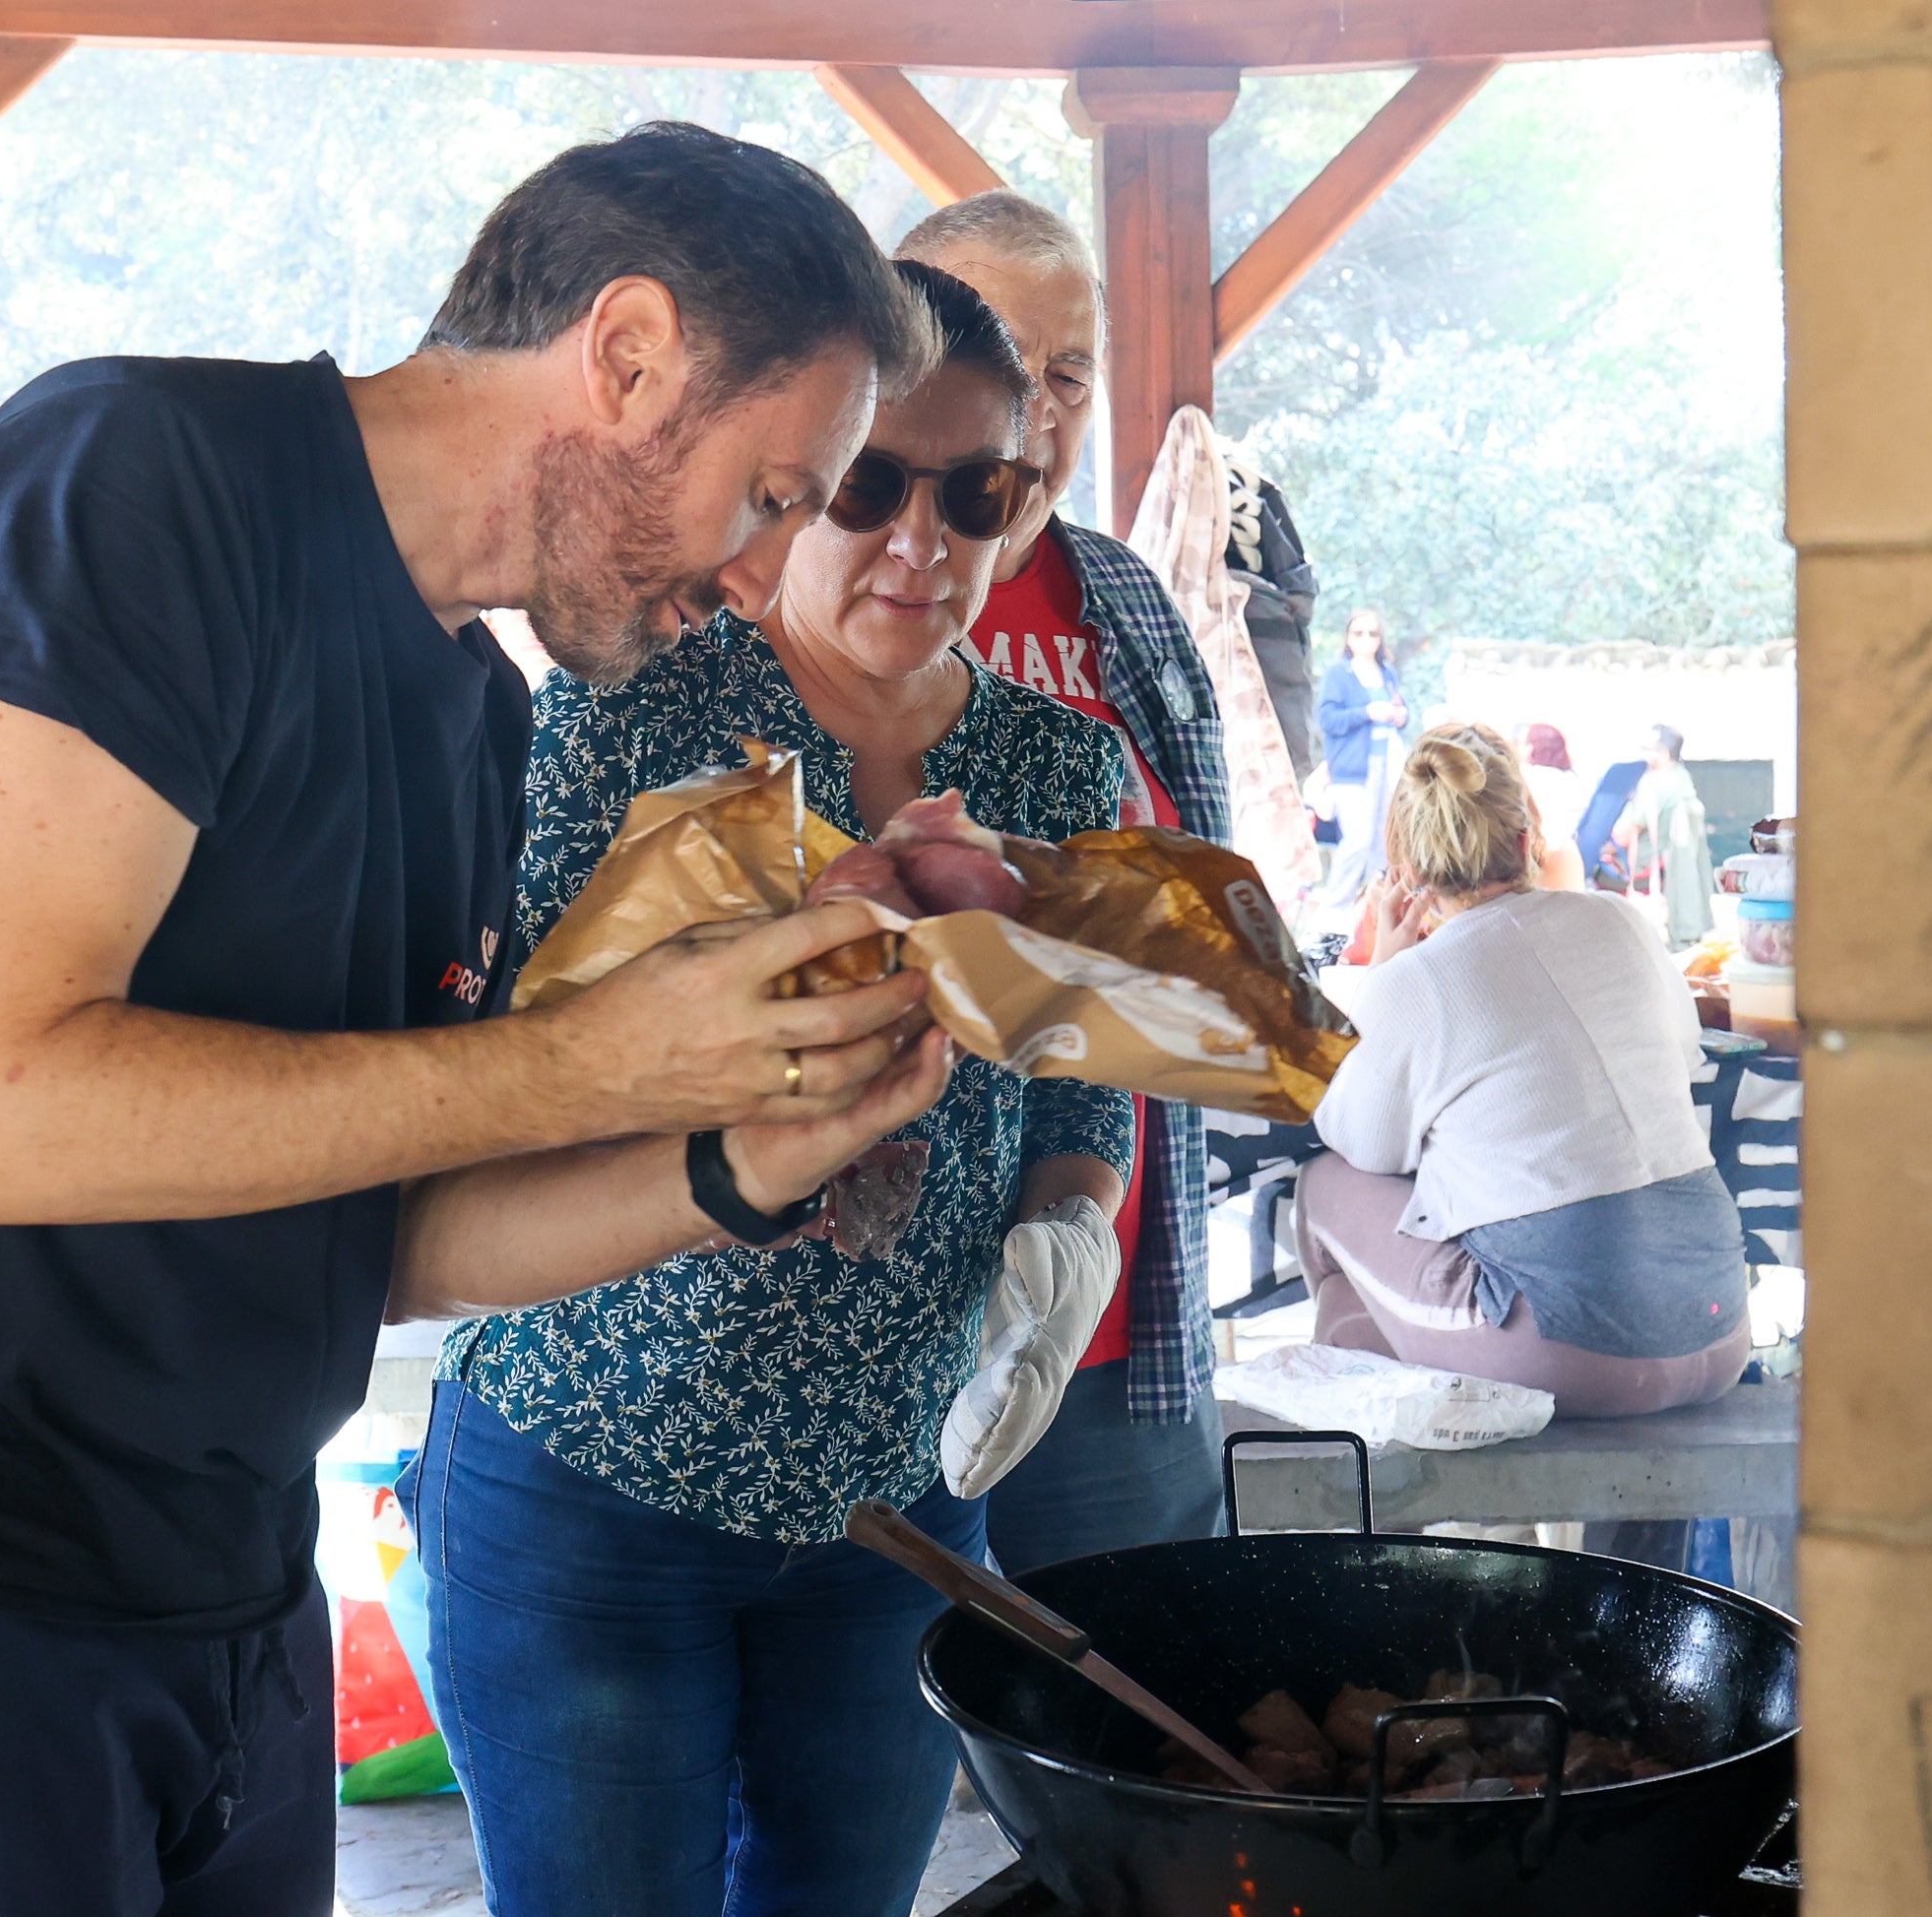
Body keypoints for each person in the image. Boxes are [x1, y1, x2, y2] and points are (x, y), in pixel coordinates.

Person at [0, 124, 952, 1917]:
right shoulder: (136, 484)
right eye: (771, 493)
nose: (764, 577)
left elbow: (367, 1233)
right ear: (625, 356)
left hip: (208, 1582)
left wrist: (732, 1160)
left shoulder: (471, 714)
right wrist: (596, 1057)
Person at [416, 263, 1133, 1917]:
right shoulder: (626, 706)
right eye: (876, 482)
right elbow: (499, 1057)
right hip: (596, 1463)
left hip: (898, 1495)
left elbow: (1076, 1073)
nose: (921, 541)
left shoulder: (1059, 765)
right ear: (798, 481)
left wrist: (1064, 1239)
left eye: (979, 493)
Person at [897, 191, 1238, 1575]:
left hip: (1111, 1318)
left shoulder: (1129, 606)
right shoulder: (785, 590)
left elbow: (1198, 923)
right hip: (874, 1329)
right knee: (874, 1747)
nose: (1035, 413)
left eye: (1070, 374)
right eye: (992, 356)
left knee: (1130, 1730)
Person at [1297, 722, 1751, 1417]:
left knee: (1325, 1187)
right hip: (1720, 1327)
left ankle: (1384, 1501)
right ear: (1525, 838)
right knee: (1376, 1294)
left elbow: (1359, 1140)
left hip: (1570, 1353)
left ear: (1409, 875)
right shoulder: (1622, 923)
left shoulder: (1415, 982)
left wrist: (1385, 964)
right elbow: (1683, 1058)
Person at [1315, 607, 1407, 907]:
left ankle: (1376, 910)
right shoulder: (1338, 674)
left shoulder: (1387, 672)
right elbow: (1327, 721)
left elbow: (1401, 709)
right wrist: (1366, 713)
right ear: (1348, 638)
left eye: (1373, 633)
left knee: (1384, 840)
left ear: (1381, 639)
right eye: (1359, 632)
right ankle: (1334, 911)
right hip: (1352, 769)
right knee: (1356, 840)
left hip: (1388, 764)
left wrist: (1400, 715)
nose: (1366, 639)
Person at [1611, 721, 1715, 945]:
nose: (1642, 755)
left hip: (1648, 871)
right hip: (1680, 885)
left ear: (1665, 754)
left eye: (1647, 749)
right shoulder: (1682, 777)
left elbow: (1622, 834)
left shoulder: (1653, 783)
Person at [1519, 721, 1588, 890]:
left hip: (1545, 861)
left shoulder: (1528, 775)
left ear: (1533, 747)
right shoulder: (1574, 780)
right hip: (1575, 860)